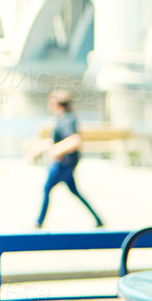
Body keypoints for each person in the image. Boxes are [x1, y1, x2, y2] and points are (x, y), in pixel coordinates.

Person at [30, 89, 104, 229]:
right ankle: (98, 219)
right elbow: (60, 140)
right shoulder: (67, 118)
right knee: (75, 191)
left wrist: (56, 150)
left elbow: (75, 140)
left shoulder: (66, 119)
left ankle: (39, 223)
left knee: (47, 188)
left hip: (64, 163)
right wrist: (41, 148)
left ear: (56, 104)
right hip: (68, 163)